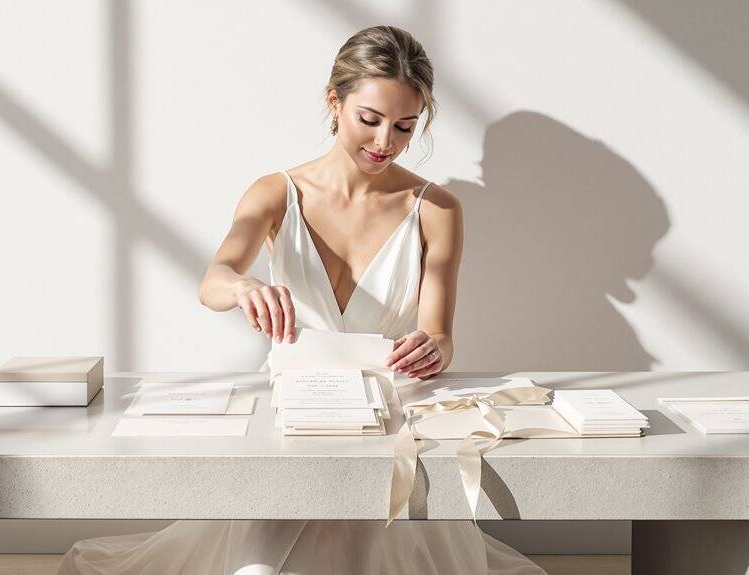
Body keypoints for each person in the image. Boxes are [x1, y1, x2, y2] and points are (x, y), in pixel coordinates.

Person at [59, 25, 546, 575]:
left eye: (405, 127)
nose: (385, 141)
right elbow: (214, 279)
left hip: (385, 419)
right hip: (293, 414)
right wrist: (244, 286)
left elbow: (440, 334)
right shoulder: (276, 192)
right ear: (334, 101)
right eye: (370, 119)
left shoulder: (437, 209)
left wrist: (431, 349)